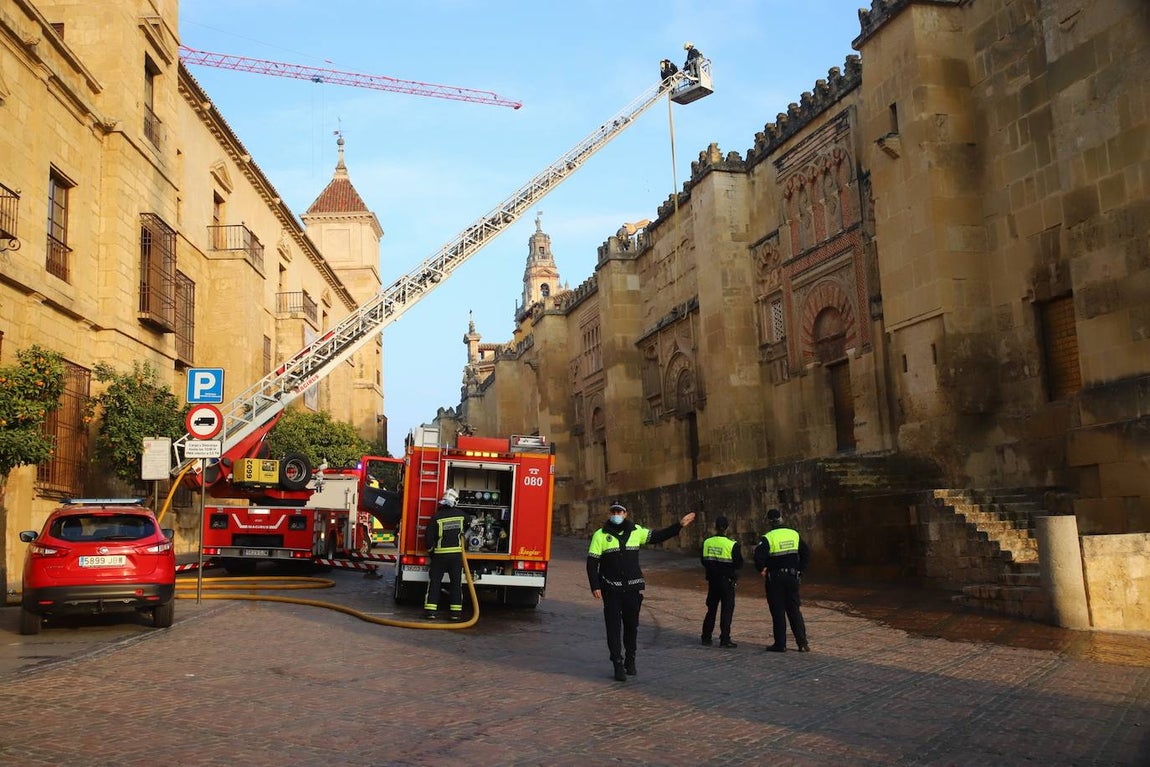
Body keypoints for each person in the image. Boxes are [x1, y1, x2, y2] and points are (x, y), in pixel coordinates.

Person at [587, 501, 696, 682]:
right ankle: (617, 663)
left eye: (619, 512)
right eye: (613, 511)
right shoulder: (600, 535)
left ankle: (630, 659)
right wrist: (595, 585)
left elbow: (657, 536)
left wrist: (679, 525)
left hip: (632, 588)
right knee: (613, 628)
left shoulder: (636, 531)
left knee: (631, 626)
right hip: (611, 588)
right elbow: (592, 563)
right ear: (609, 514)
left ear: (625, 514)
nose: (616, 514)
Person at [753, 508, 811, 652]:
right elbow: (806, 553)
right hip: (792, 577)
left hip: (775, 579)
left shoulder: (768, 537)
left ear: (769, 522)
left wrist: (762, 569)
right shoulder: (794, 534)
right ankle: (802, 643)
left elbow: (758, 557)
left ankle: (780, 644)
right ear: (781, 518)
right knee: (794, 610)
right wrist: (800, 570)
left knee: (778, 610)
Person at [700, 515, 743, 648]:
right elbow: (739, 564)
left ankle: (706, 637)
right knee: (726, 610)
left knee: (711, 610)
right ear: (727, 528)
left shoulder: (707, 542)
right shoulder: (732, 544)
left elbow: (703, 560)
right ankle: (725, 639)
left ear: (715, 526)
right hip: (727, 581)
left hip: (713, 581)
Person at [424, 487, 466, 621]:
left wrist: (432, 553)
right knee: (456, 583)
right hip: (456, 557)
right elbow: (470, 525)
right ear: (455, 501)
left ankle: (431, 611)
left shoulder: (436, 517)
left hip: (439, 556)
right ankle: (455, 613)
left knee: (435, 582)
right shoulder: (462, 515)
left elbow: (428, 541)